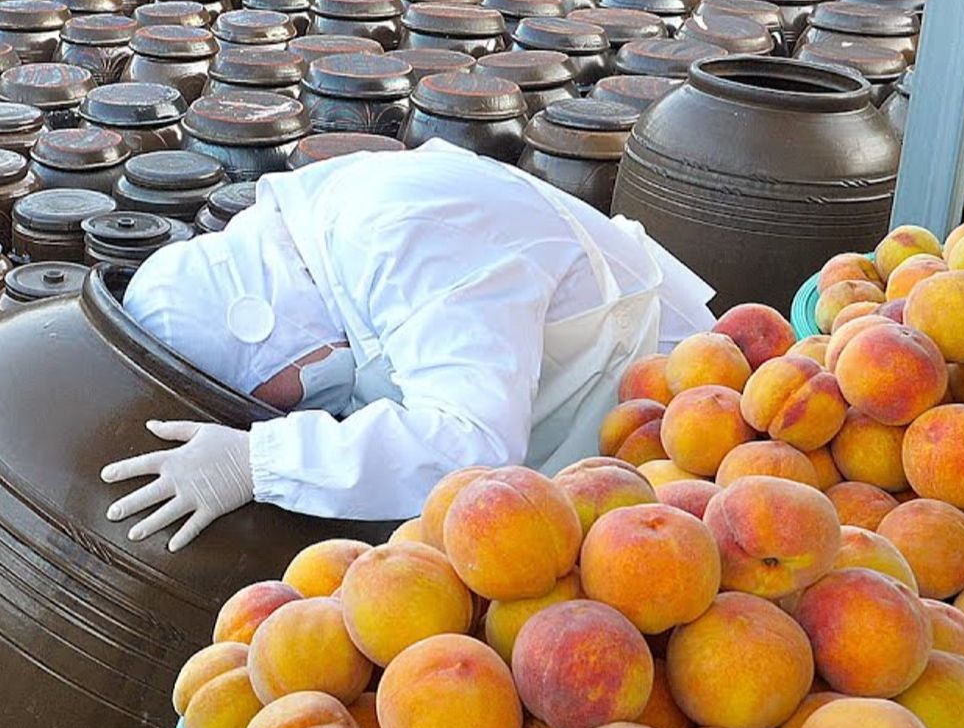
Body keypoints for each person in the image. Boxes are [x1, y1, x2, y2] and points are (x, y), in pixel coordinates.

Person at [101, 140, 716, 550]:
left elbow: (473, 446)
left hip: (675, 413)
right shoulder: (320, 252)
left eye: (260, 396)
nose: (281, 407)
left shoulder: (396, 236)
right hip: (577, 427)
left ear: (257, 327)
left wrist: (261, 460)